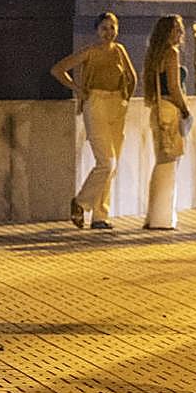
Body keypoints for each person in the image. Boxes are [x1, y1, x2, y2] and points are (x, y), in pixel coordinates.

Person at [52, 12, 137, 231]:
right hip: (96, 103)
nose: (109, 32)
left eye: (112, 27)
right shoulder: (90, 51)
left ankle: (100, 215)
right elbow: (58, 70)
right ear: (97, 31)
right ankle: (80, 202)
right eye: (104, 28)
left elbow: (132, 77)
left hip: (117, 104)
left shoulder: (120, 50)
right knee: (106, 162)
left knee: (112, 165)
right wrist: (78, 90)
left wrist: (125, 99)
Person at [143, 15, 189, 230]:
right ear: (168, 32)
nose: (181, 33)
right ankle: (163, 217)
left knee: (161, 161)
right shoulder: (171, 53)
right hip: (170, 109)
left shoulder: (154, 54)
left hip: (157, 109)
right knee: (170, 163)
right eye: (176, 29)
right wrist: (185, 110)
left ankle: (154, 216)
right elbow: (174, 86)